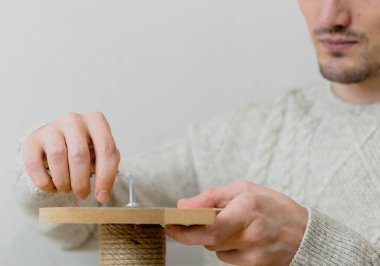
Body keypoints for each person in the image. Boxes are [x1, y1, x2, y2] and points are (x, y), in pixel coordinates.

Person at [15, 0, 380, 265]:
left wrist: (317, 249)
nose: (331, 17)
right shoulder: (245, 132)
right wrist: (52, 165)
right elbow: (82, 227)